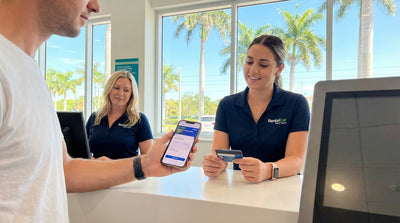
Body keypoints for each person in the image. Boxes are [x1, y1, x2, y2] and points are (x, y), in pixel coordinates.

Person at [0, 0, 196, 222]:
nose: (96, 6)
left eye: (126, 90)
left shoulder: (30, 72)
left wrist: (146, 164)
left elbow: (64, 169)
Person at [202, 35, 310, 183]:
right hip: (241, 188)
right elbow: (219, 154)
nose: (253, 70)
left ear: (279, 69)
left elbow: (296, 160)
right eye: (249, 62)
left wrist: (267, 170)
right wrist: (215, 165)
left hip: (283, 190)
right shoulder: (227, 105)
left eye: (263, 65)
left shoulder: (296, 104)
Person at [86, 70, 153, 159]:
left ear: (131, 94)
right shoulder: (95, 117)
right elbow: (82, 150)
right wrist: (93, 161)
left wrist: (115, 165)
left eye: (126, 90)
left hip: (125, 172)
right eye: (116, 88)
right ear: (109, 89)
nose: (120, 93)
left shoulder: (139, 119)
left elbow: (148, 157)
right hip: (96, 171)